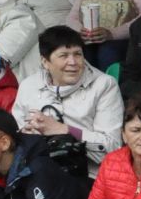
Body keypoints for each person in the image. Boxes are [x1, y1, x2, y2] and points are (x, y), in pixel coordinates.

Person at [11, 25, 124, 178]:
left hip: (88, 176)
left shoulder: (104, 85)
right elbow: (16, 140)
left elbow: (113, 147)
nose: (73, 62)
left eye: (77, 54)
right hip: (37, 173)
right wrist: (28, 135)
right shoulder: (28, 86)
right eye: (64, 55)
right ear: (45, 62)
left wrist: (65, 130)